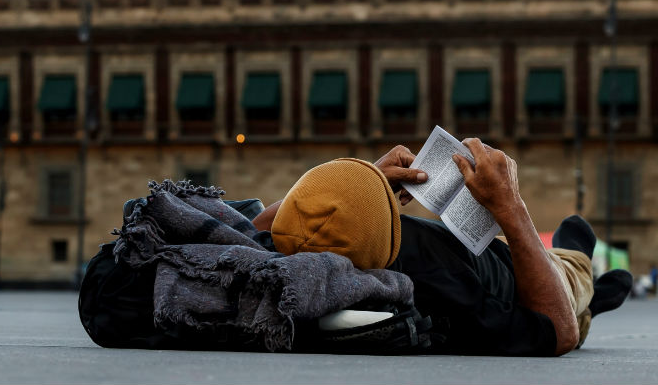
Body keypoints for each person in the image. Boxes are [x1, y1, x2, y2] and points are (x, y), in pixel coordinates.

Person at [253, 141, 632, 357]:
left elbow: (261, 225)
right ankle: (584, 276)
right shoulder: (438, 288)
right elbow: (556, 330)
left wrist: (362, 183)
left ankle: (590, 297)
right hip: (523, 279)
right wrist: (510, 206)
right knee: (574, 283)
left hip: (476, 249)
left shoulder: (283, 246)